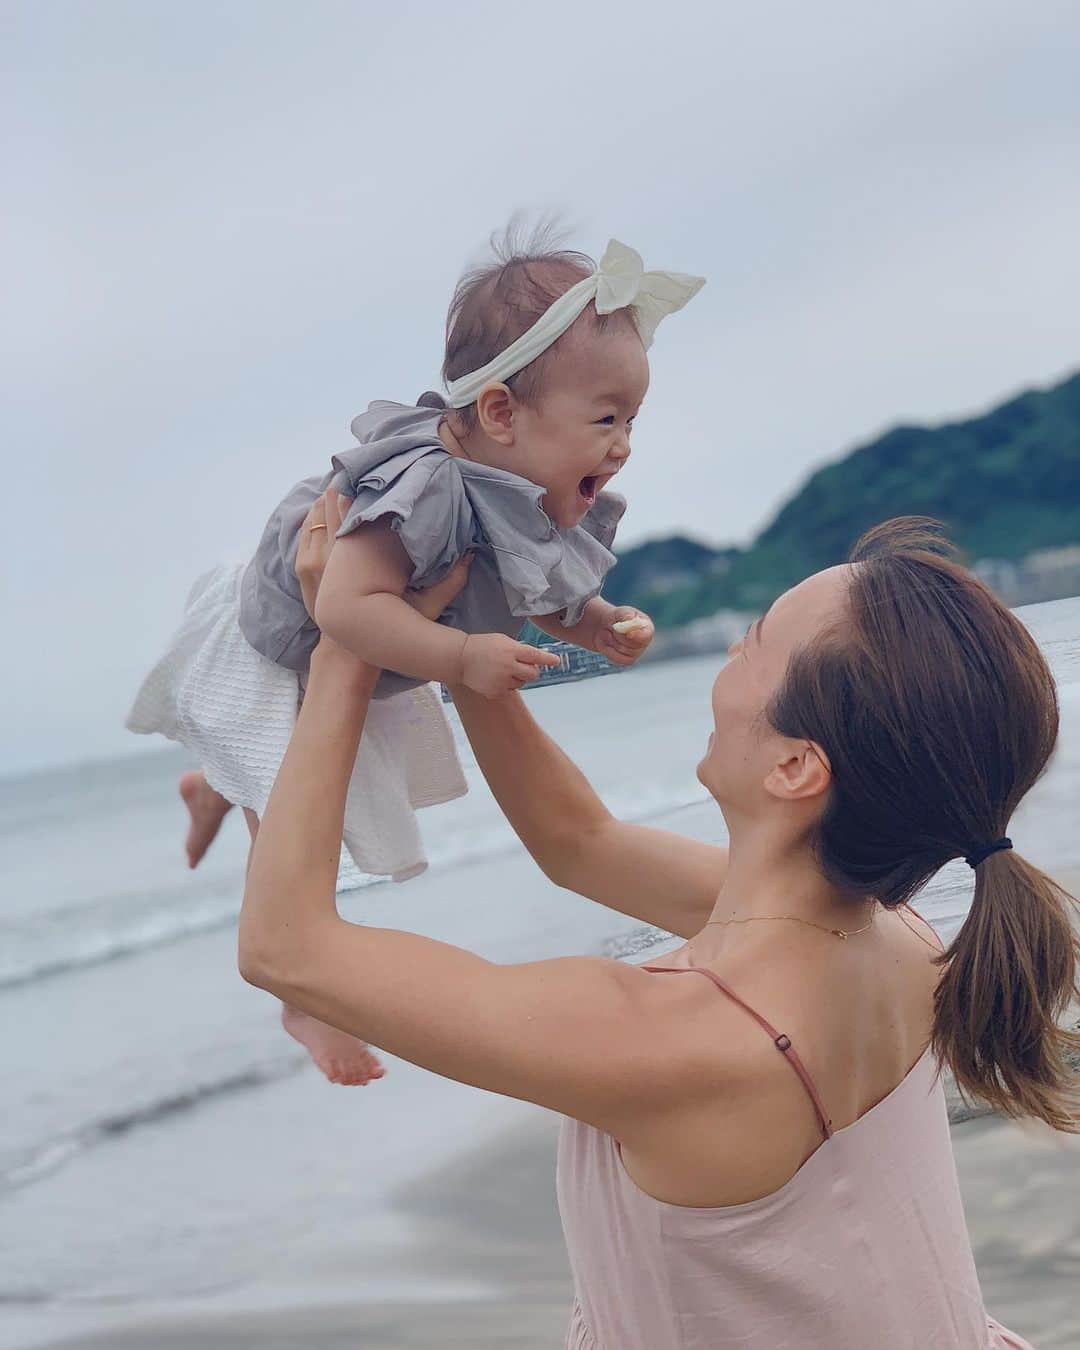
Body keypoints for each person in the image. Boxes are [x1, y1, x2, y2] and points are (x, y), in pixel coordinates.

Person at [239, 506, 1078, 1348]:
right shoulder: (891, 938)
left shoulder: (683, 1040)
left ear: (795, 766)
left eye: (753, 641)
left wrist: (344, 645)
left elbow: (284, 946)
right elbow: (580, 845)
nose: (726, 654)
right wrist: (464, 638)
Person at [125, 231, 704, 1084]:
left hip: (381, 642)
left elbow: (536, 583)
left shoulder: (518, 485)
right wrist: (461, 656)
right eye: (606, 419)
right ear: (502, 413)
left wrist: (597, 622)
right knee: (289, 815)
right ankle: (304, 999)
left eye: (632, 421)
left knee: (289, 782)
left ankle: (207, 785)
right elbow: (346, 607)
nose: (623, 445)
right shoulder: (426, 487)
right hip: (287, 640)